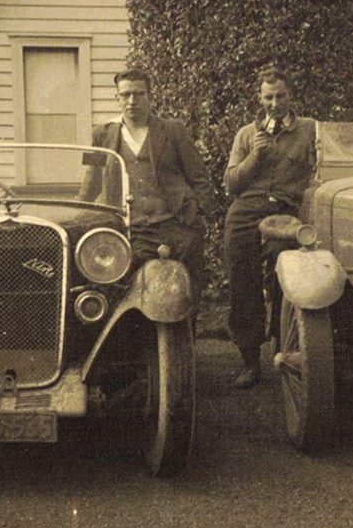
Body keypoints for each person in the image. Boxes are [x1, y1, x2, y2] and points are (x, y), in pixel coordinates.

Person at [223, 67, 317, 388]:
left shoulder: (309, 131)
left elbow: (320, 175)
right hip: (247, 206)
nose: (274, 103)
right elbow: (231, 184)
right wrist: (255, 156)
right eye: (268, 97)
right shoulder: (247, 134)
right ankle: (250, 359)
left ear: (290, 96)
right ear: (259, 97)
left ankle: (285, 342)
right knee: (240, 270)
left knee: (287, 263)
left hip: (286, 209)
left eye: (280, 96)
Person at [88, 69, 210, 307]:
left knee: (185, 292)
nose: (132, 101)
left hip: (175, 224)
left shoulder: (173, 130)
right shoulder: (102, 135)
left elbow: (199, 177)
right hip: (131, 228)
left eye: (139, 94)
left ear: (150, 96)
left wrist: (197, 216)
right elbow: (91, 180)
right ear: (117, 98)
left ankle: (184, 341)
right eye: (125, 95)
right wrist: (79, 213)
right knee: (120, 287)